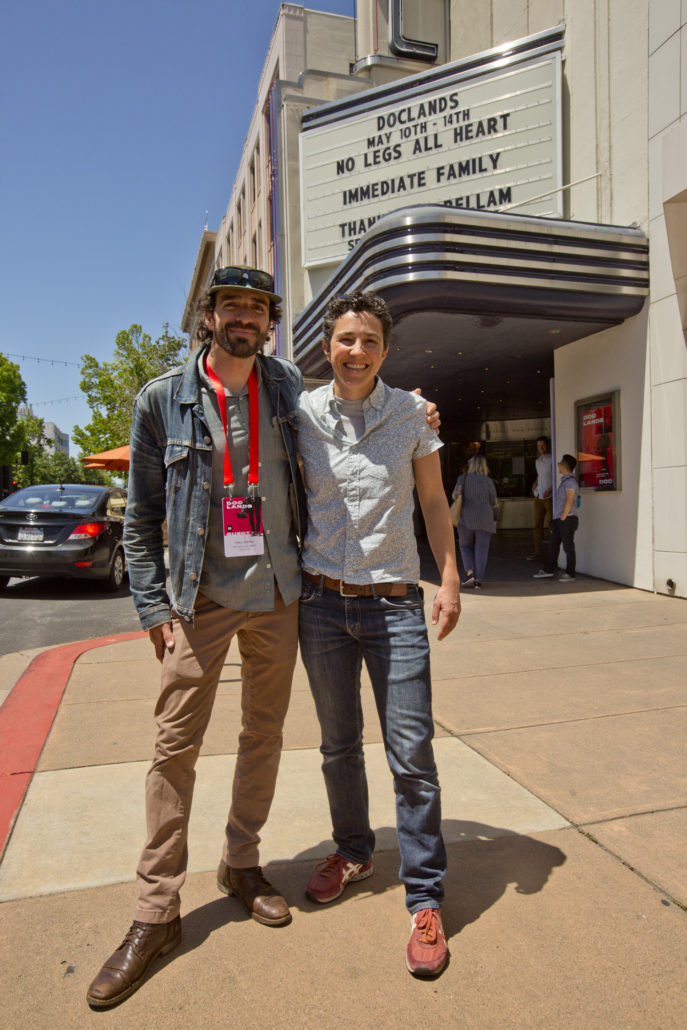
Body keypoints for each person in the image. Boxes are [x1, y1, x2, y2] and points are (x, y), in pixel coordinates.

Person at [86, 267, 440, 1008]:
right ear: (207, 315)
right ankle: (156, 910)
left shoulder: (284, 387)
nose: (243, 317)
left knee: (264, 736)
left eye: (256, 307)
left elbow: (358, 401)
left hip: (281, 595)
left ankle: (240, 863)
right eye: (231, 305)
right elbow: (140, 516)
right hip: (199, 600)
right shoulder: (162, 399)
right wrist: (152, 606)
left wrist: (416, 408)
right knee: (174, 748)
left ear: (270, 322)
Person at [296, 290, 461, 978]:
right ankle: (354, 851)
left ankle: (424, 896)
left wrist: (448, 579)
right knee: (338, 746)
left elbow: (432, 499)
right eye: (345, 339)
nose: (356, 351)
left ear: (385, 351)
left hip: (393, 605)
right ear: (326, 347)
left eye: (368, 341)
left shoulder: (411, 416)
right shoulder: (300, 414)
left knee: (411, 755)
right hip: (320, 605)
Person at [452, 454, 499, 589]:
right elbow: (494, 502)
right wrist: (495, 517)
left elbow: (455, 495)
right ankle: (478, 580)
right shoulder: (489, 481)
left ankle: (470, 573)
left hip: (466, 517)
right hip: (486, 518)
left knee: (465, 545)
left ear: (471, 465)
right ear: (484, 466)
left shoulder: (463, 478)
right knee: (481, 549)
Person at [533, 454, 579, 582]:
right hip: (560, 519)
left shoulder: (570, 482)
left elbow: (569, 501)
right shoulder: (565, 481)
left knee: (568, 547)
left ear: (563, 466)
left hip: (567, 519)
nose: (558, 466)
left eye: (559, 464)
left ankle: (570, 573)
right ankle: (549, 570)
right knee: (553, 545)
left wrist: (563, 518)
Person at [528, 435, 553, 560]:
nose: (541, 448)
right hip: (538, 496)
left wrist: (549, 490)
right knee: (537, 525)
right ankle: (538, 552)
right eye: (539, 446)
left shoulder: (553, 459)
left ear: (547, 445)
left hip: (550, 496)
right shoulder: (538, 461)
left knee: (551, 525)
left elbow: (556, 477)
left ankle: (554, 553)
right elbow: (540, 475)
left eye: (543, 445)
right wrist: (535, 483)